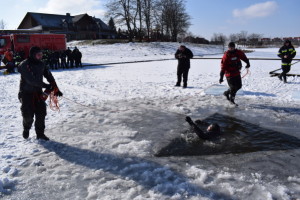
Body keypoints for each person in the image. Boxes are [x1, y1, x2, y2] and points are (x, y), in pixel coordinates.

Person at [18, 46, 63, 140]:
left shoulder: (41, 64)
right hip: (26, 94)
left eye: (41, 55)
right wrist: (46, 86)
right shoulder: (24, 65)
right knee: (28, 116)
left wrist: (55, 88)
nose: (41, 57)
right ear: (33, 55)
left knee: (41, 113)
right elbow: (31, 80)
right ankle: (26, 128)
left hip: (38, 93)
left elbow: (49, 76)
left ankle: (40, 134)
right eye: (38, 55)